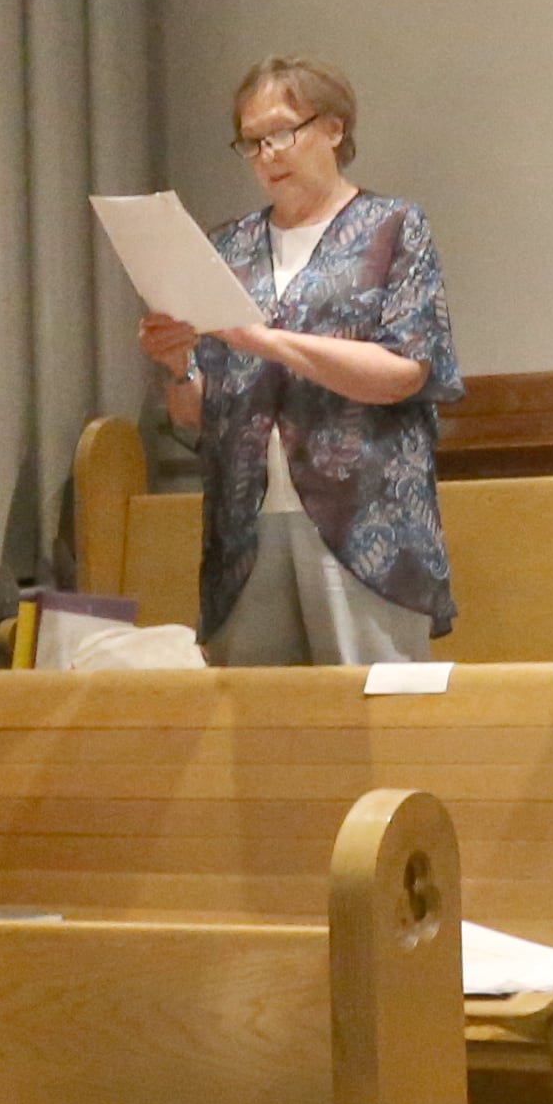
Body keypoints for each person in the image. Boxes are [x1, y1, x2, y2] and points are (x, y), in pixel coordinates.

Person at [139, 56, 464, 663]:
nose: (268, 155)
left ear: (334, 129)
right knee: (264, 736)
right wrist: (178, 365)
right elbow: (193, 420)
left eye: (283, 133)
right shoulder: (227, 246)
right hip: (247, 525)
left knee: (374, 726)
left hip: (366, 519)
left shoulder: (392, 228)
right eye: (253, 142)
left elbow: (405, 372)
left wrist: (260, 338)